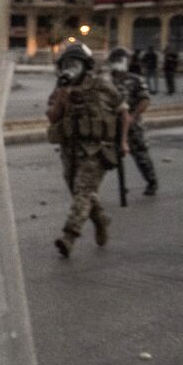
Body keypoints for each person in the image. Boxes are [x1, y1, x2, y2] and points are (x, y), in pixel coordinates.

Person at [47, 43, 128, 257]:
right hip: (71, 151)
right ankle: (100, 219)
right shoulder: (61, 87)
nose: (70, 68)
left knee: (82, 193)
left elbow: (123, 112)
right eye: (66, 64)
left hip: (97, 149)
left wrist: (123, 142)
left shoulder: (101, 85)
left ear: (85, 65)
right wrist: (62, 99)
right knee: (80, 191)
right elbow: (52, 117)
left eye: (74, 64)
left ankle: (69, 237)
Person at [109, 48, 158, 196]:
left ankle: (152, 182)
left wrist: (133, 115)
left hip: (133, 125)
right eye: (115, 60)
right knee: (105, 156)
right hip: (111, 124)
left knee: (141, 155)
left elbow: (144, 100)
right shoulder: (106, 80)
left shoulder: (135, 79)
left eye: (120, 59)